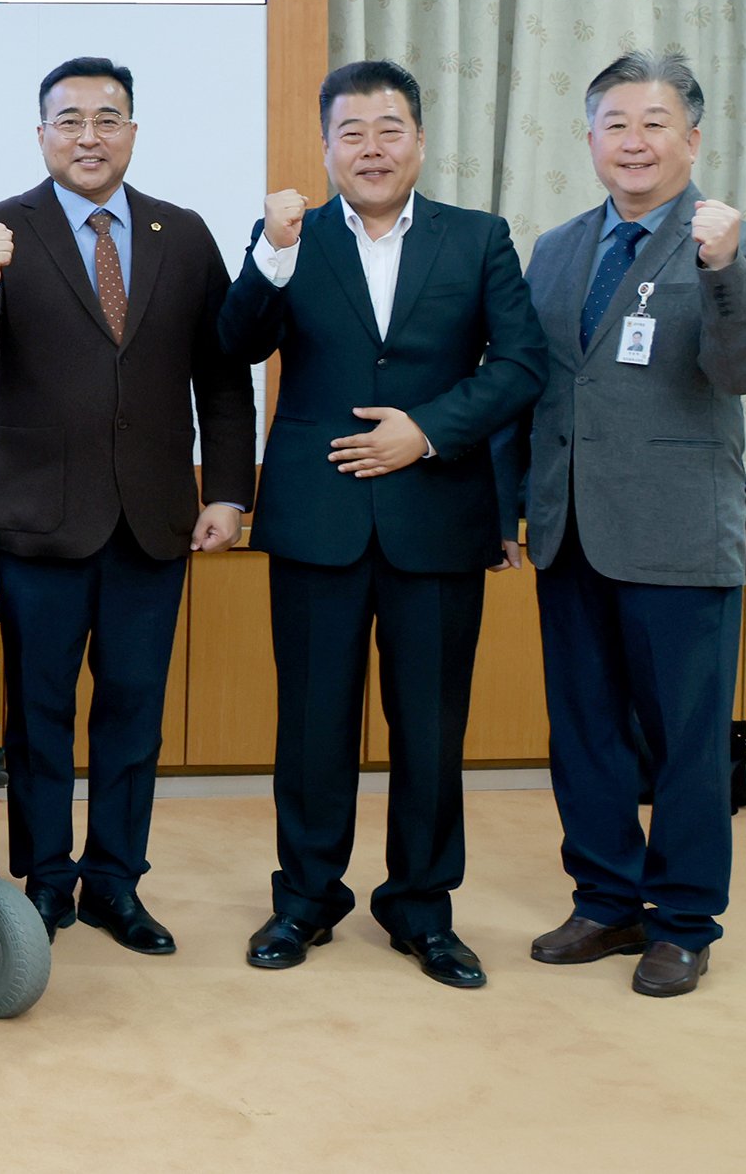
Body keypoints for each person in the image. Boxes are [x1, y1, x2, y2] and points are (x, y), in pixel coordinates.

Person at [218, 60, 545, 989]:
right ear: (325, 147)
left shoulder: (478, 238)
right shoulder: (290, 238)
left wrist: (426, 431)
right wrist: (271, 255)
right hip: (317, 519)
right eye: (351, 132)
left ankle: (422, 909)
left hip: (436, 517)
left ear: (420, 142)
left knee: (432, 730)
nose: (371, 148)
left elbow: (520, 364)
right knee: (312, 724)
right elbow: (235, 343)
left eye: (389, 128)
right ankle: (305, 899)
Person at [0, 56, 257, 956]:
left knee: (133, 711)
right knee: (39, 715)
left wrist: (230, 493)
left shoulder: (181, 233)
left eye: (107, 118)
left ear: (133, 132)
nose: (89, 136)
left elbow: (222, 377)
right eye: (69, 120)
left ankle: (117, 881)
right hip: (41, 522)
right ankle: (45, 880)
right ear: (41, 134)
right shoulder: (0, 227)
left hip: (154, 519)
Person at [495, 51, 746, 999]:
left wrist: (722, 268)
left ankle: (685, 921)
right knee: (584, 732)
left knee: (686, 743)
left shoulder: (734, 243)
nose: (634, 141)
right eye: (615, 124)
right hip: (569, 527)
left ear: (691, 139)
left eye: (655, 123)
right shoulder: (557, 248)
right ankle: (606, 900)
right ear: (589, 140)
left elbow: (741, 369)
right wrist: (512, 505)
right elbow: (534, 387)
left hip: (679, 534)